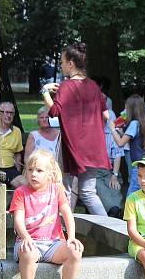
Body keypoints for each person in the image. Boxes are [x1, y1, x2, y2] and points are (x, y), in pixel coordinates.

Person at [10, 150, 83, 279]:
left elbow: (67, 214)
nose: (33, 174)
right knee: (28, 253)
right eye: (30, 169)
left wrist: (71, 236)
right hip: (28, 243)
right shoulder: (20, 192)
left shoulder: (56, 190)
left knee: (75, 251)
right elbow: (18, 220)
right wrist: (26, 237)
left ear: (50, 174)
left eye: (39, 171)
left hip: (53, 244)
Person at [42, 43, 110, 216]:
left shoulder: (66, 86)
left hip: (73, 145)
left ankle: (63, 230)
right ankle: (109, 226)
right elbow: (106, 116)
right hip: (93, 146)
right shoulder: (94, 86)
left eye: (63, 62)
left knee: (64, 186)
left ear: (71, 63)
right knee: (88, 191)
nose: (62, 65)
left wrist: (44, 91)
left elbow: (54, 112)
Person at [108, 95, 145, 197]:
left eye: (126, 107)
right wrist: (121, 133)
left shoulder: (134, 124)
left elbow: (120, 143)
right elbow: (132, 140)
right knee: (141, 195)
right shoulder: (144, 122)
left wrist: (112, 129)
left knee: (131, 197)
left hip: (138, 166)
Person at [0, 102, 25, 188]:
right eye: (6, 112)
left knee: (24, 184)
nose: (9, 115)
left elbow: (18, 154)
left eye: (11, 113)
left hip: (9, 169)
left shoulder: (16, 131)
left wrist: (17, 172)